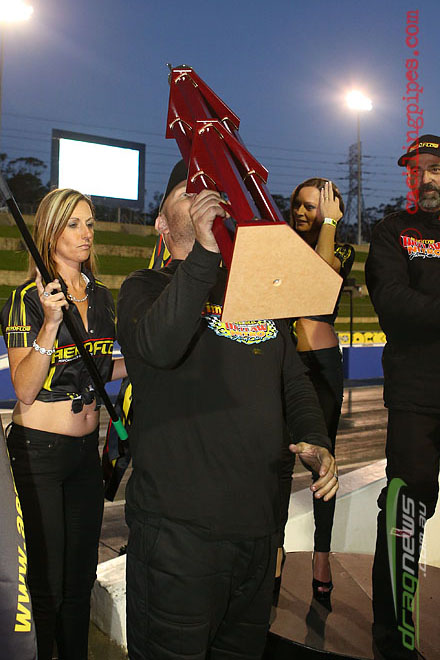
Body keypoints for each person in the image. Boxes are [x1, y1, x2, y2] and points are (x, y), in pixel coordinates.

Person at [117, 161, 339, 660]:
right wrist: (205, 253)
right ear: (161, 222)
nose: (203, 198)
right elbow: (157, 346)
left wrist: (316, 439)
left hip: (256, 539)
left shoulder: (254, 293)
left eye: (210, 190)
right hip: (178, 540)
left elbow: (293, 381)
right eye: (188, 191)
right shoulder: (143, 288)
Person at [0, 188, 126, 660]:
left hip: (84, 454)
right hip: (39, 454)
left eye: (89, 223)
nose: (86, 233)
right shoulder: (25, 300)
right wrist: (51, 324)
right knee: (47, 584)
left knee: (79, 582)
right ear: (50, 233)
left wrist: (143, 360)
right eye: (74, 224)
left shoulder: (103, 297)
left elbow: (99, 366)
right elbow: (25, 387)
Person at [365, 135, 440, 660]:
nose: (427, 177)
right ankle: (394, 641)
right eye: (417, 169)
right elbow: (393, 302)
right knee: (405, 511)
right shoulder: (393, 230)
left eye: (436, 167)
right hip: (417, 395)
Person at [274, 179, 354, 602]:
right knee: (276, 462)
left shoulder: (341, 250)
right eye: (297, 205)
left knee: (323, 462)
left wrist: (329, 225)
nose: (301, 212)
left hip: (322, 367)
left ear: (330, 212)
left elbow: (319, 278)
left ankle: (321, 557)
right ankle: (276, 552)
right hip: (281, 361)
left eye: (311, 206)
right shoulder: (282, 245)